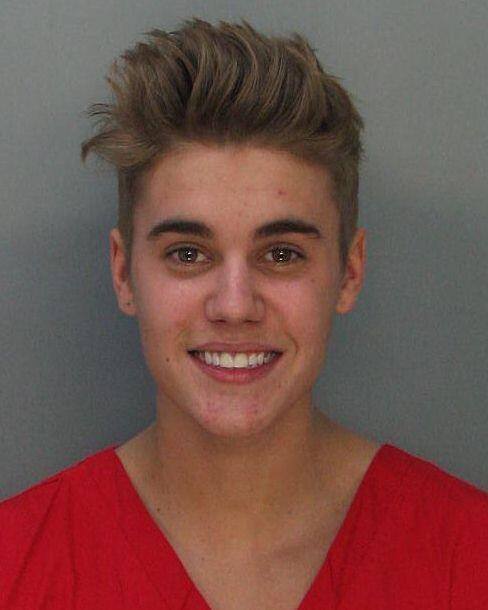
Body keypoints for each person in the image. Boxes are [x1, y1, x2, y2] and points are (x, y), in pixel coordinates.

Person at [0, 17, 486, 610]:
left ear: (349, 272)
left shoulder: (470, 555)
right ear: (124, 274)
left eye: (281, 254)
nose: (234, 306)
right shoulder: (13, 563)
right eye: (187, 254)